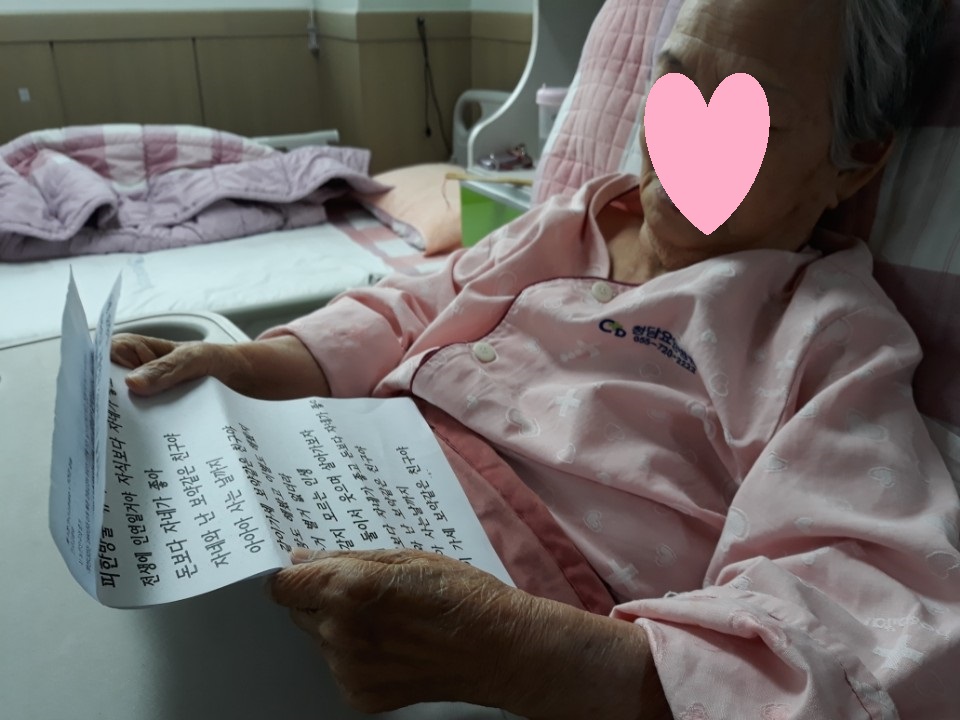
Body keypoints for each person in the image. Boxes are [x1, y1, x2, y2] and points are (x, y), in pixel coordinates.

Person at [111, 0, 960, 717]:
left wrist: (523, 654)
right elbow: (411, 306)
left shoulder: (824, 336)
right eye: (674, 86)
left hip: (503, 634)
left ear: (856, 160)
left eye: (748, 118)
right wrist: (241, 367)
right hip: (335, 488)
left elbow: (870, 616)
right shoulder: (572, 221)